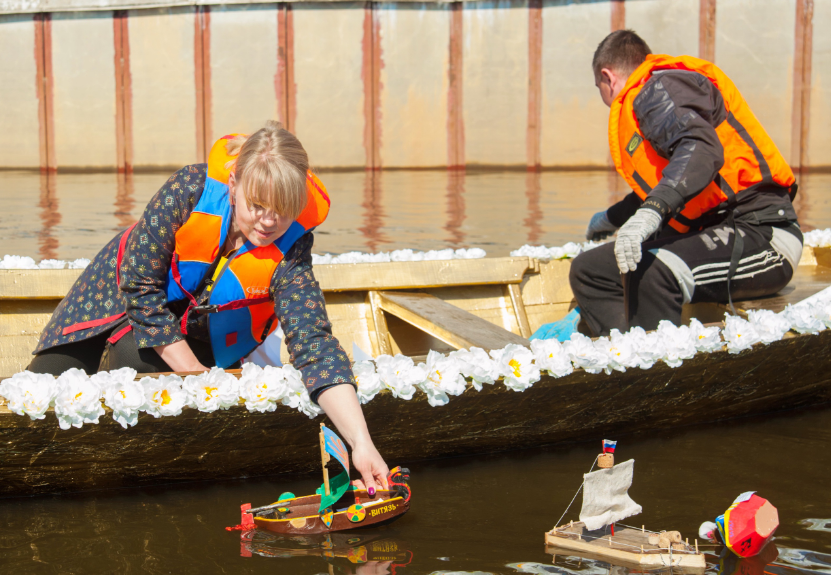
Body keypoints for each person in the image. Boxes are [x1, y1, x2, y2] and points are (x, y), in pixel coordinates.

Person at [28, 121, 389, 491]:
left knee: (136, 362)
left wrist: (361, 442)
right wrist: (194, 374)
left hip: (197, 335)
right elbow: (138, 283)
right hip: (107, 305)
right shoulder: (188, 188)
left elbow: (314, 343)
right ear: (233, 186)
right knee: (37, 391)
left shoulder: (292, 247)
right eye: (257, 205)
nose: (268, 222)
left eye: (282, 210)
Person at [533, 30, 802, 340]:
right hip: (713, 229)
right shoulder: (653, 98)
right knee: (590, 271)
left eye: (599, 88)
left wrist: (651, 213)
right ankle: (626, 354)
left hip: (762, 234)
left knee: (654, 272)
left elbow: (700, 150)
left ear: (607, 78)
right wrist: (612, 218)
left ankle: (657, 377)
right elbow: (669, 183)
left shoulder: (657, 90)